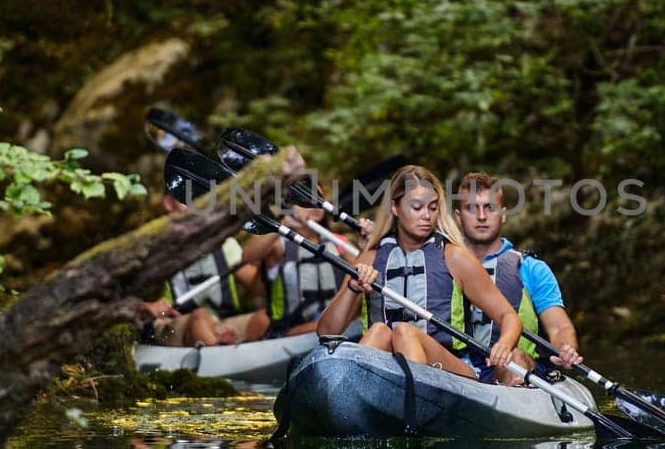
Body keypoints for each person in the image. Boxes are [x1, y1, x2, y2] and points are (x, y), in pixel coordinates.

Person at [316, 164, 526, 384]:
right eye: (417, 207)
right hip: (387, 371)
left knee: (404, 332)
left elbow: (508, 316)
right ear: (395, 208)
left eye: (433, 208)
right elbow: (327, 331)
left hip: (453, 371)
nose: (427, 216)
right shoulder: (371, 258)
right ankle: (352, 394)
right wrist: (352, 288)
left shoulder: (454, 257)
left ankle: (412, 401)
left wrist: (504, 343)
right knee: (379, 331)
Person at [452, 171, 585, 374]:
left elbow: (559, 327)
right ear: (458, 217)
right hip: (460, 370)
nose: (481, 217)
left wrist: (566, 348)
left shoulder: (531, 268)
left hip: (518, 368)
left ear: (503, 214)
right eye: (472, 209)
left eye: (490, 208)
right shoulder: (442, 265)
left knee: (514, 358)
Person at [146, 193, 271, 346]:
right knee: (200, 317)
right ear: (169, 203)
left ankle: (220, 345)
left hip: (220, 321)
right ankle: (220, 350)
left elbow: (258, 287)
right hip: (170, 325)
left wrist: (267, 265)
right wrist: (151, 306)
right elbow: (133, 302)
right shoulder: (152, 251)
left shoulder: (224, 243)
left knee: (264, 319)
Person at [244, 205, 350, 336]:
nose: (314, 205)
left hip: (334, 326)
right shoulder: (278, 245)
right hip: (290, 332)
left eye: (318, 199)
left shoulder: (338, 241)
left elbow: (361, 267)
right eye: (305, 201)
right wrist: (282, 225)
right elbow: (248, 256)